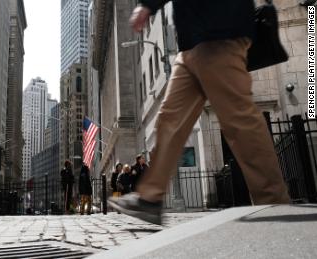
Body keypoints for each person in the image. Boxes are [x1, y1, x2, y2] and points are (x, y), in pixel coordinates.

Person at [109, 0, 291, 225]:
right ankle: (150, 198)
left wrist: (148, 5)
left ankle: (273, 198)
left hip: (219, 31)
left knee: (240, 121)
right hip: (191, 44)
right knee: (169, 120)